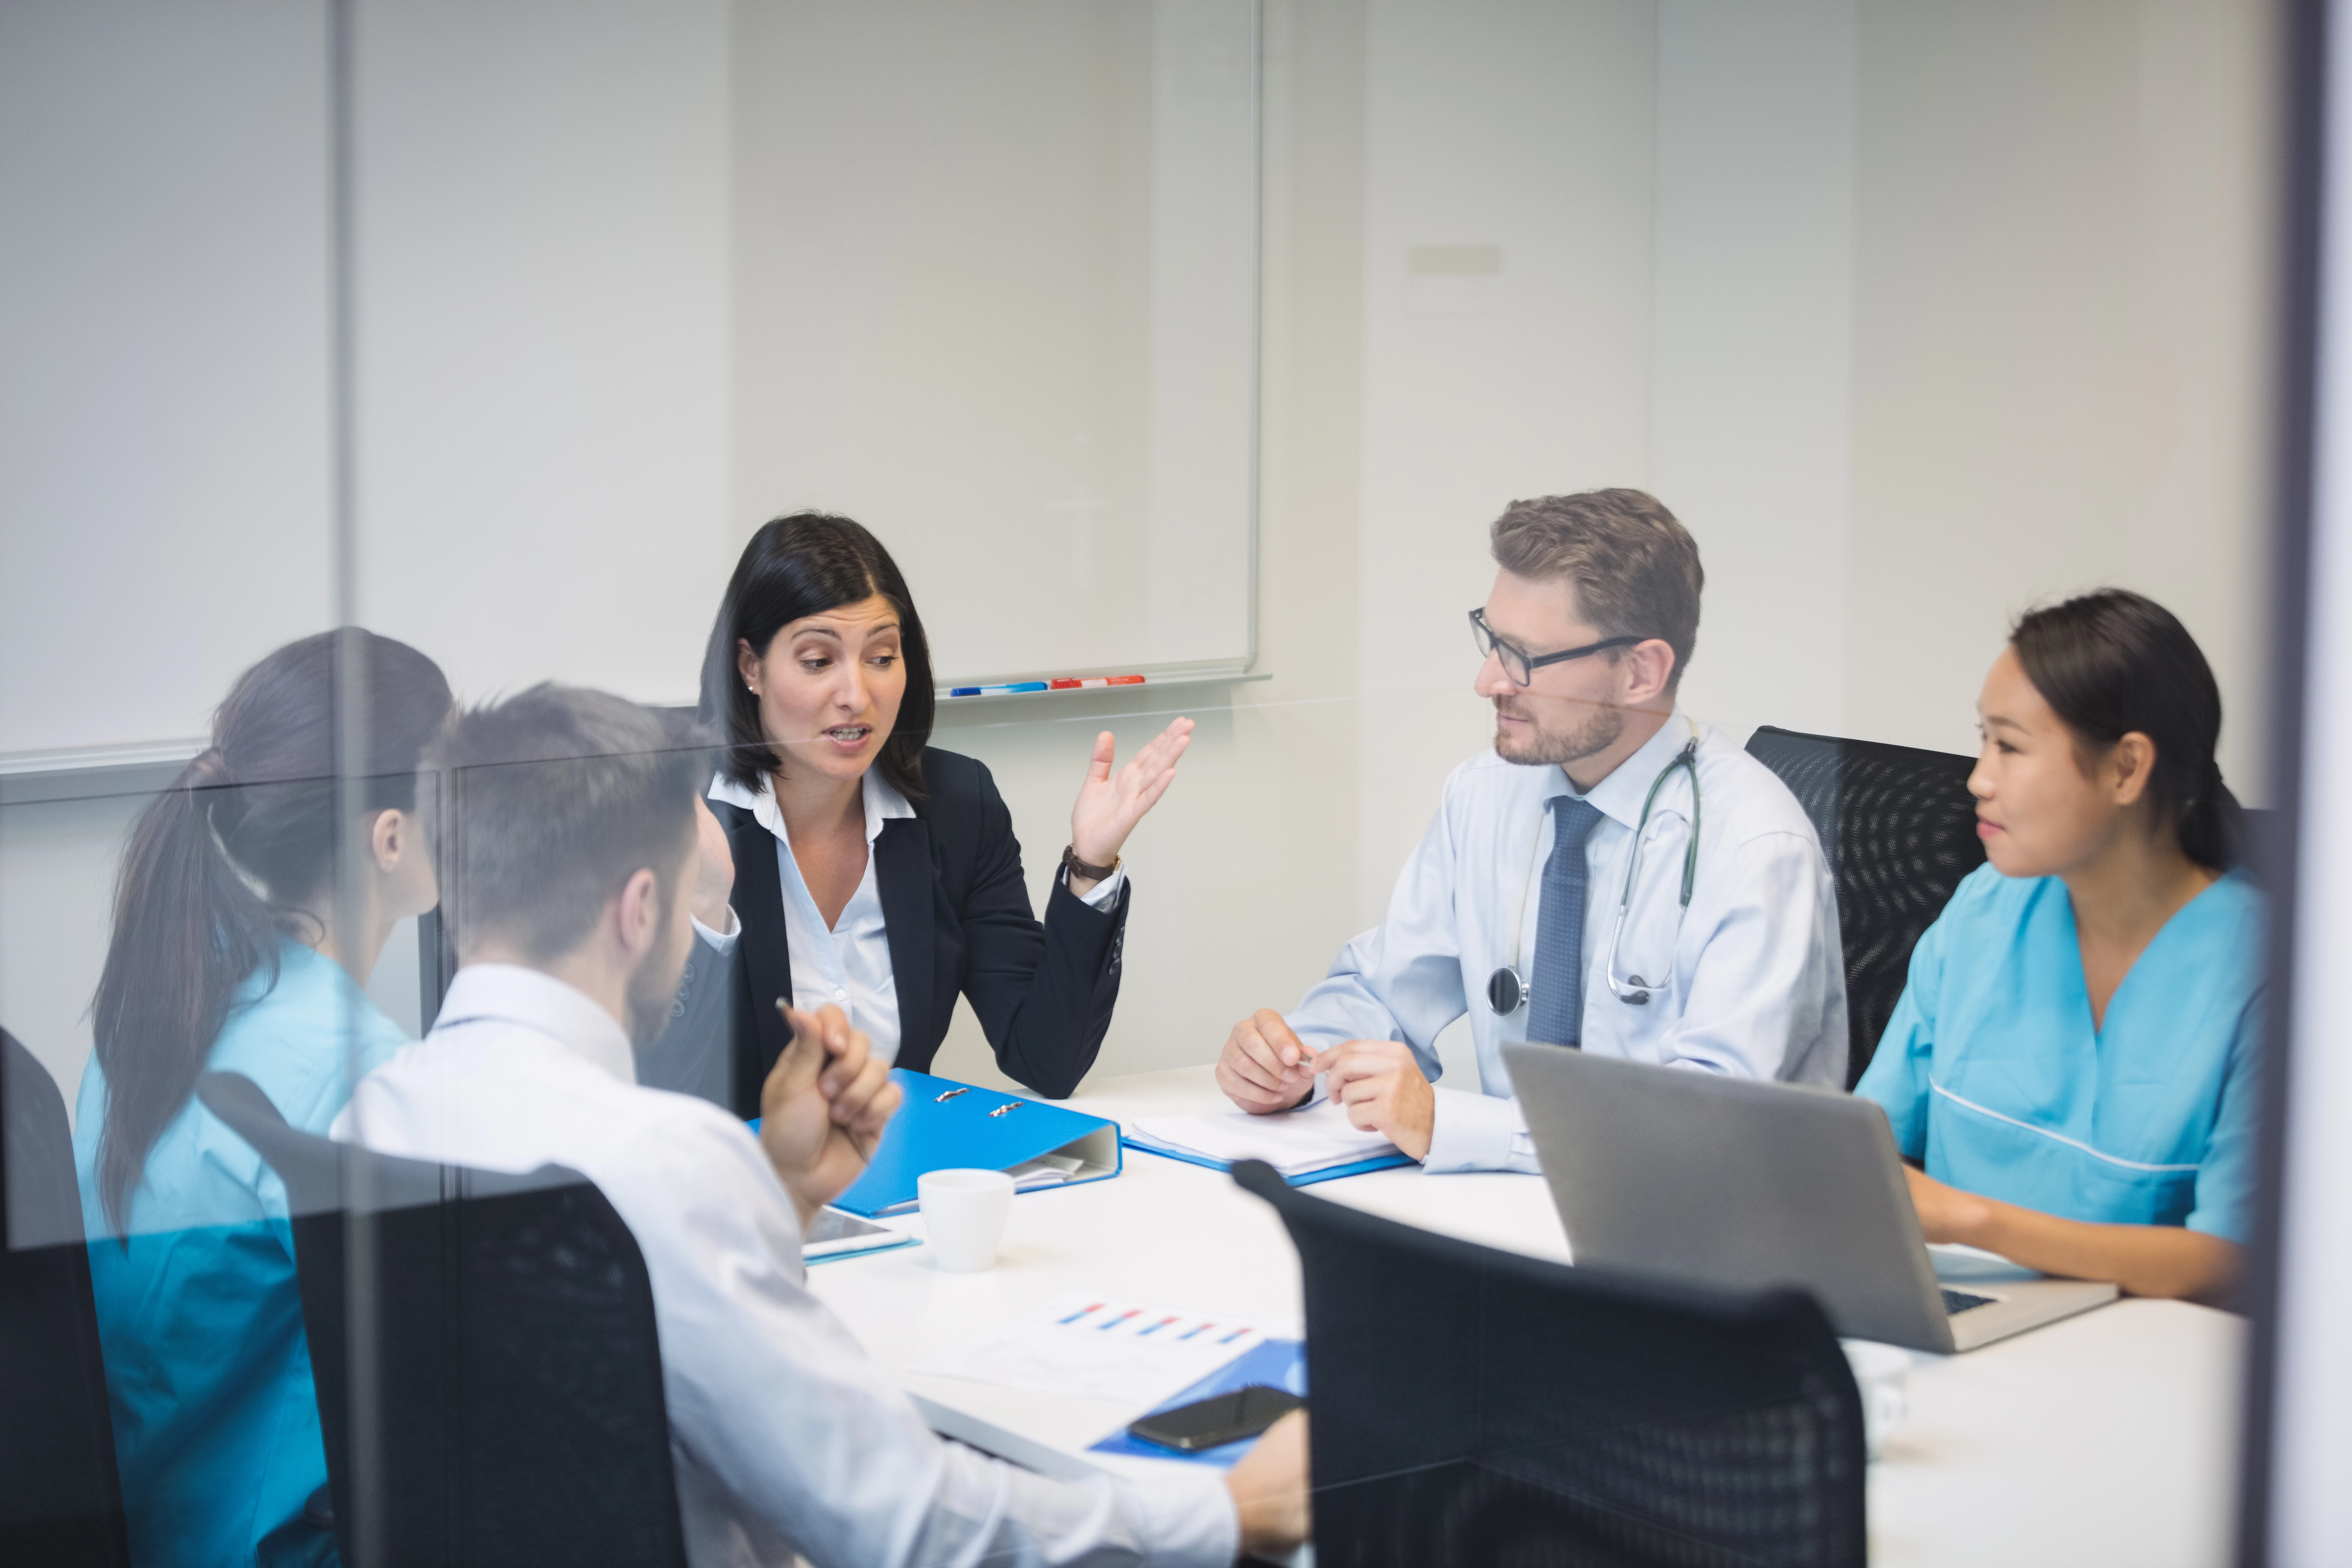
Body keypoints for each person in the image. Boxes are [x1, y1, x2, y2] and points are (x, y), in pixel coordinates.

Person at [335, 685, 1308, 1567]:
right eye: (690, 902)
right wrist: (1222, 1516)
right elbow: (898, 1518)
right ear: (637, 912)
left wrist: (781, 1187)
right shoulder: (660, 1163)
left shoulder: (375, 1114)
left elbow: (605, 1363)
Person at [1216, 489, 1846, 1171]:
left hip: (1693, 1245)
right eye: (1492, 640)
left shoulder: (1756, 849)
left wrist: (1452, 1124)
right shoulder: (1486, 792)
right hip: (1510, 1218)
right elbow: (1383, 991)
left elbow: (1710, 1127)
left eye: (1525, 657)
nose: (1488, 681)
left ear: (1642, 671)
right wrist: (1292, 1062)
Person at [71, 629, 453, 1567]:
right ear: (391, 837)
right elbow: (449, 1382)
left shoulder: (157, 1006)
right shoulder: (361, 1072)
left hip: (156, 1522)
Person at [639, 512, 1193, 1112]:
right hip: (742, 1193)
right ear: (751, 667)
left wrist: (1091, 864)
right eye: (819, 661)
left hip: (902, 1189)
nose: (857, 694)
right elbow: (652, 1101)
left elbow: (1047, 1061)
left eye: (881, 656)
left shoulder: (958, 806)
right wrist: (703, 906)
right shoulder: (679, 815)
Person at [1855, 590, 2260, 1303]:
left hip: (2145, 1359)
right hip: (1956, 1324)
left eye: (2009, 747)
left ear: (2127, 769)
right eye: (1983, 740)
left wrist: (1977, 1221)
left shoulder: (2264, 973)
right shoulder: (1983, 911)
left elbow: (2230, 1258)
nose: (1978, 779)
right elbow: (1867, 1147)